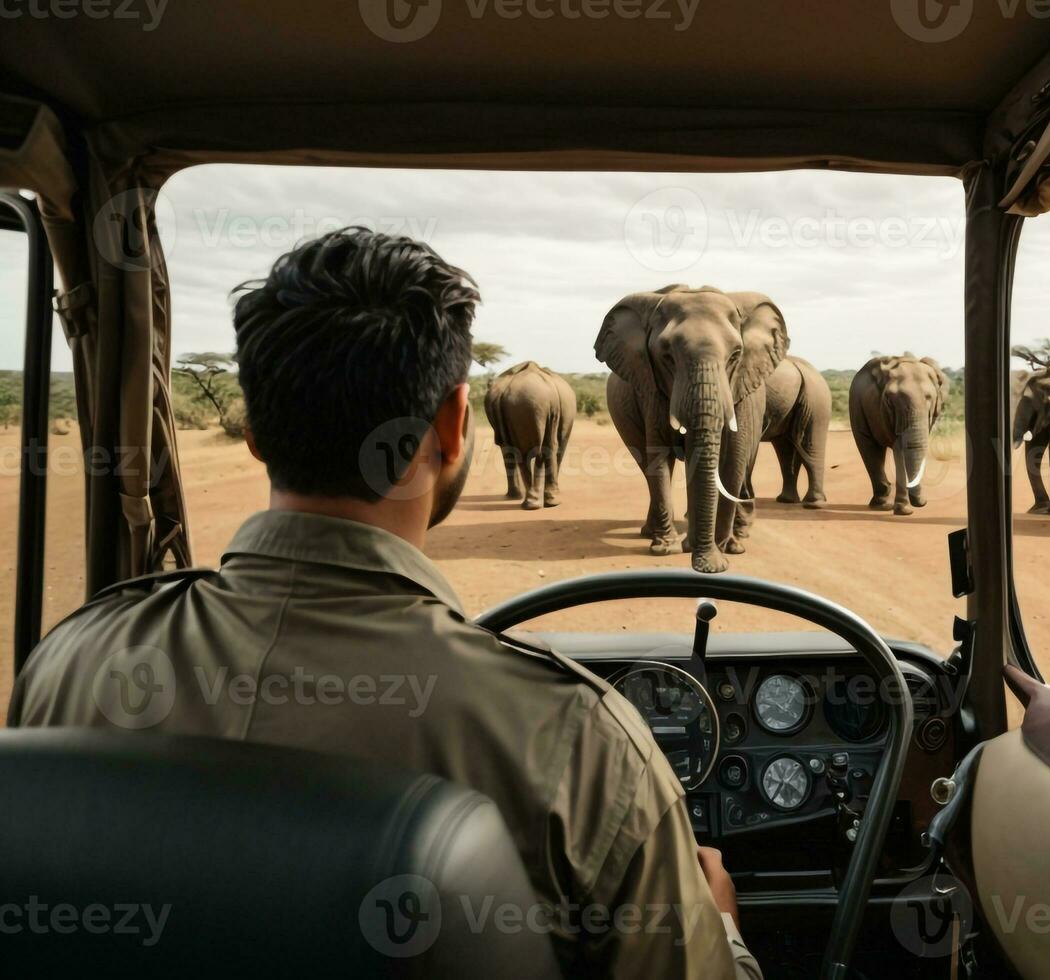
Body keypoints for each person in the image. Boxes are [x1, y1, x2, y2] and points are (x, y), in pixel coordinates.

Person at [8, 228, 761, 979]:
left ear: (255, 435)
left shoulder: (67, 665)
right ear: (456, 424)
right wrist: (721, 927)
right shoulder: (579, 743)